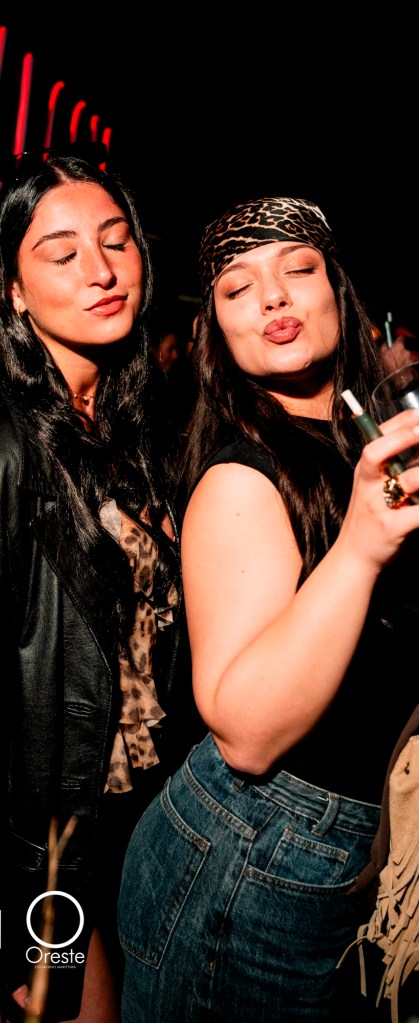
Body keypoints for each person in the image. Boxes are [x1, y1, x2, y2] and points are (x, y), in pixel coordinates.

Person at [118, 196, 419, 1022]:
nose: (273, 297)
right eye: (238, 288)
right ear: (216, 329)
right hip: (252, 858)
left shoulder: (364, 442)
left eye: (297, 269)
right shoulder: (239, 479)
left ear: (337, 291)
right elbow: (244, 734)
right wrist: (359, 547)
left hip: (341, 850)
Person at [0, 154, 182, 1023]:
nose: (100, 270)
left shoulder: (125, 425)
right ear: (13, 290)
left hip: (126, 823)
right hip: (43, 863)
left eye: (115, 242)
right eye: (61, 253)